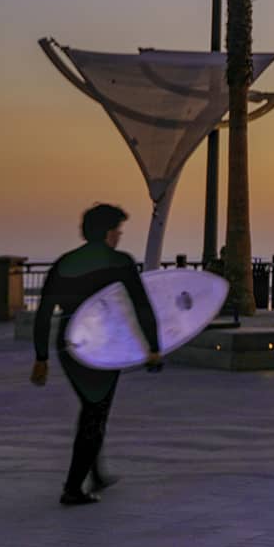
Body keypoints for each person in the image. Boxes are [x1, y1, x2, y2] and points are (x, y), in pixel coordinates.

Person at [30, 204, 162, 506]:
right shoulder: (119, 263)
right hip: (103, 348)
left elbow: (43, 313)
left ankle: (97, 474)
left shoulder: (64, 264)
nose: (119, 236)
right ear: (106, 232)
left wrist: (41, 358)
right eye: (117, 230)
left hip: (69, 347)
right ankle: (73, 488)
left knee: (93, 408)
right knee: (95, 413)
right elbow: (141, 307)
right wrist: (153, 348)